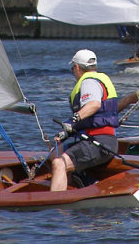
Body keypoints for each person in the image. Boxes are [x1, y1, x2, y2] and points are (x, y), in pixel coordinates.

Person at [50, 49, 119, 192]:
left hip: (99, 143)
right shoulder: (101, 79)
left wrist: (73, 121)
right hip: (101, 140)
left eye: (72, 68)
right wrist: (65, 133)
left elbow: (94, 104)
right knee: (54, 153)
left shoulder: (88, 82)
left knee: (59, 163)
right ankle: (72, 186)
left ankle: (57, 209)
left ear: (76, 67)